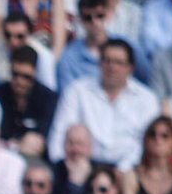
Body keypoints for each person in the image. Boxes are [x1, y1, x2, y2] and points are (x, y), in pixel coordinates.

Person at [48, 39, 160, 170]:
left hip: (129, 170)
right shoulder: (77, 91)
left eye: (119, 63)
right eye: (107, 61)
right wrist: (63, 168)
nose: (112, 67)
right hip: (81, 167)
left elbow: (147, 144)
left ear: (131, 68)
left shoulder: (147, 99)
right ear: (99, 64)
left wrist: (122, 170)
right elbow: (59, 135)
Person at [0, 46, 57, 156]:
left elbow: (41, 139)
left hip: (35, 160)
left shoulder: (48, 99)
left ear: (36, 74)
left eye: (26, 77)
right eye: (15, 75)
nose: (20, 82)